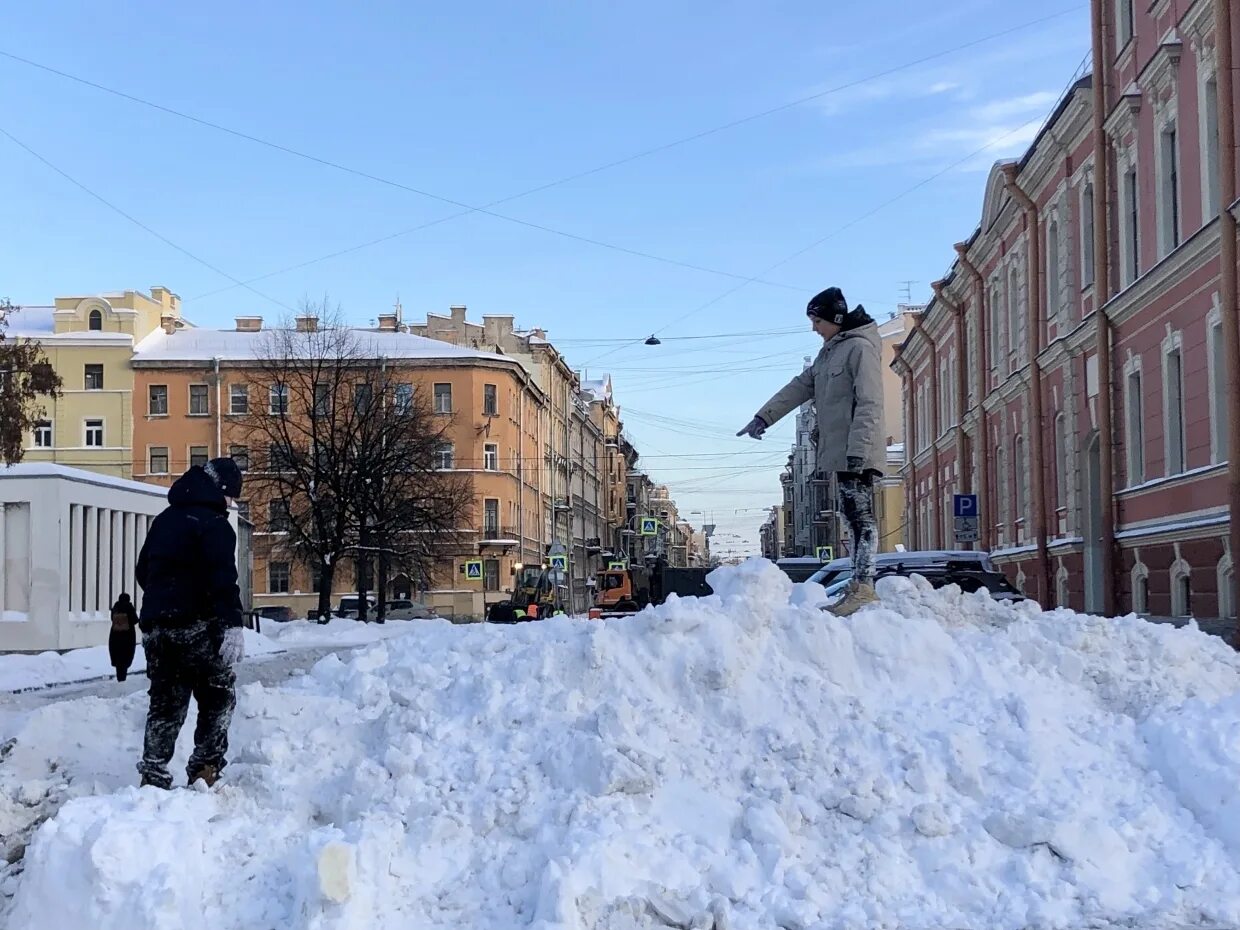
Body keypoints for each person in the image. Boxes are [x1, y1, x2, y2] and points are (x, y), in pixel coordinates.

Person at [738, 287, 885, 616]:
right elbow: (799, 387)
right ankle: (859, 585)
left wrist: (858, 450)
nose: (814, 327)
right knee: (851, 516)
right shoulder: (830, 353)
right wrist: (764, 417)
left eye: (817, 320)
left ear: (834, 318)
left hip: (856, 449)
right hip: (841, 451)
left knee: (861, 518)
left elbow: (871, 402)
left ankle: (864, 586)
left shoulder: (859, 348)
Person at [135, 457, 246, 789]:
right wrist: (232, 623)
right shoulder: (214, 525)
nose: (231, 504)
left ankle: (153, 774)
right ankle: (205, 768)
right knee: (217, 695)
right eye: (231, 497)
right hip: (196, 625)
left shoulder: (165, 520)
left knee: (166, 702)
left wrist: (167, 599)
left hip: (156, 628)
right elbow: (223, 578)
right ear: (220, 491)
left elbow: (144, 572)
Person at [108, 593, 139, 682]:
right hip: (127, 636)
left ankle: (119, 677)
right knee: (126, 656)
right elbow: (135, 620)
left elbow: (112, 619)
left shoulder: (116, 607)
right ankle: (123, 678)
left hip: (116, 636)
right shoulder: (129, 607)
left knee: (118, 656)